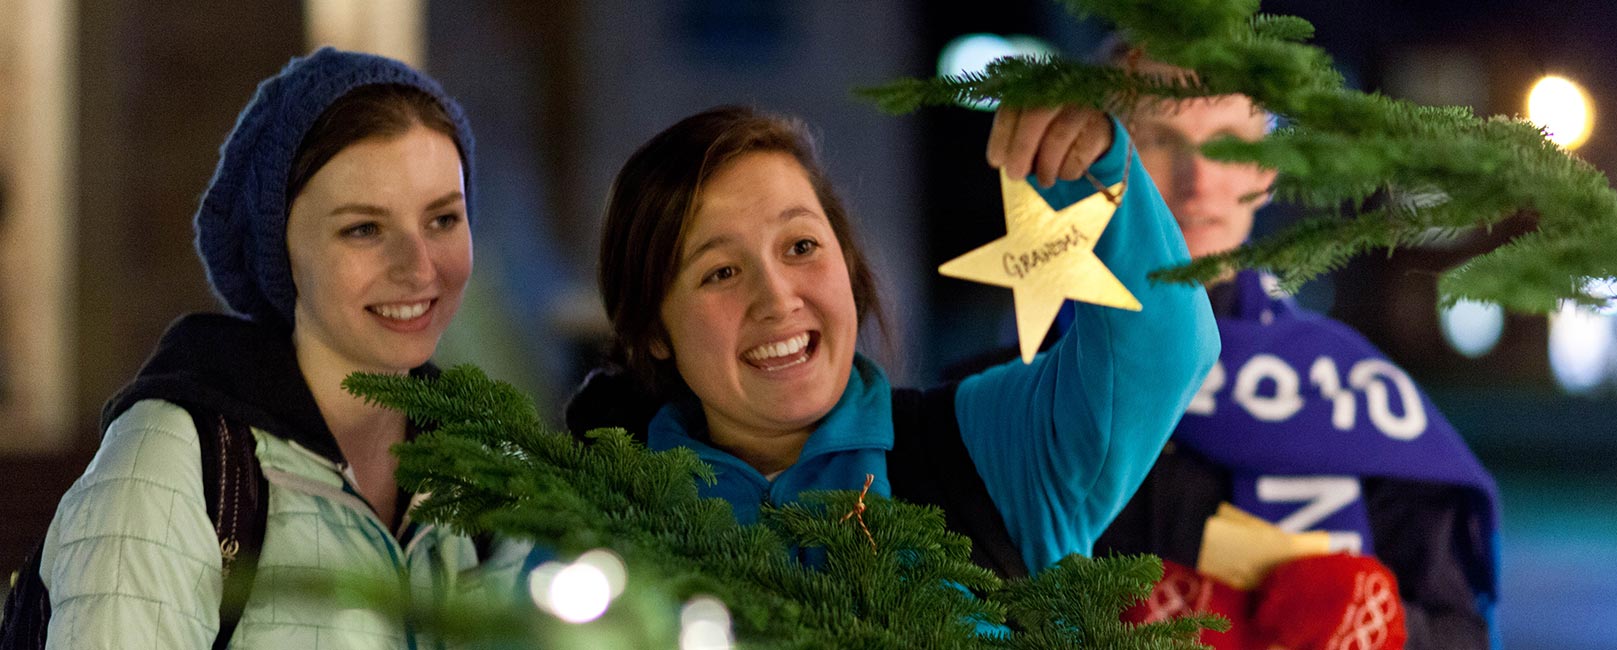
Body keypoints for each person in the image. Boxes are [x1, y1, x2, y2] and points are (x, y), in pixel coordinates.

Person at [571, 103, 1218, 577]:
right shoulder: (593, 525)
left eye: (801, 246)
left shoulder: (985, 448)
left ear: (847, 266)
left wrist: (1098, 168)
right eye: (720, 272)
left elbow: (1163, 349)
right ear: (653, 329)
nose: (777, 299)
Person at [35, 47, 515, 648]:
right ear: (281, 248)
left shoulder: (491, 468)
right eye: (363, 228)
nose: (419, 269)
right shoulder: (171, 468)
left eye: (443, 219)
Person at [1093, 44, 1500, 650]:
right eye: (1157, 139)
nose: (1197, 180)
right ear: (1099, 165)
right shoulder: (1016, 386)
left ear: (1265, 171)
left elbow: (1461, 634)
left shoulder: (1353, 392)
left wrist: (1387, 627)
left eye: (1229, 144)